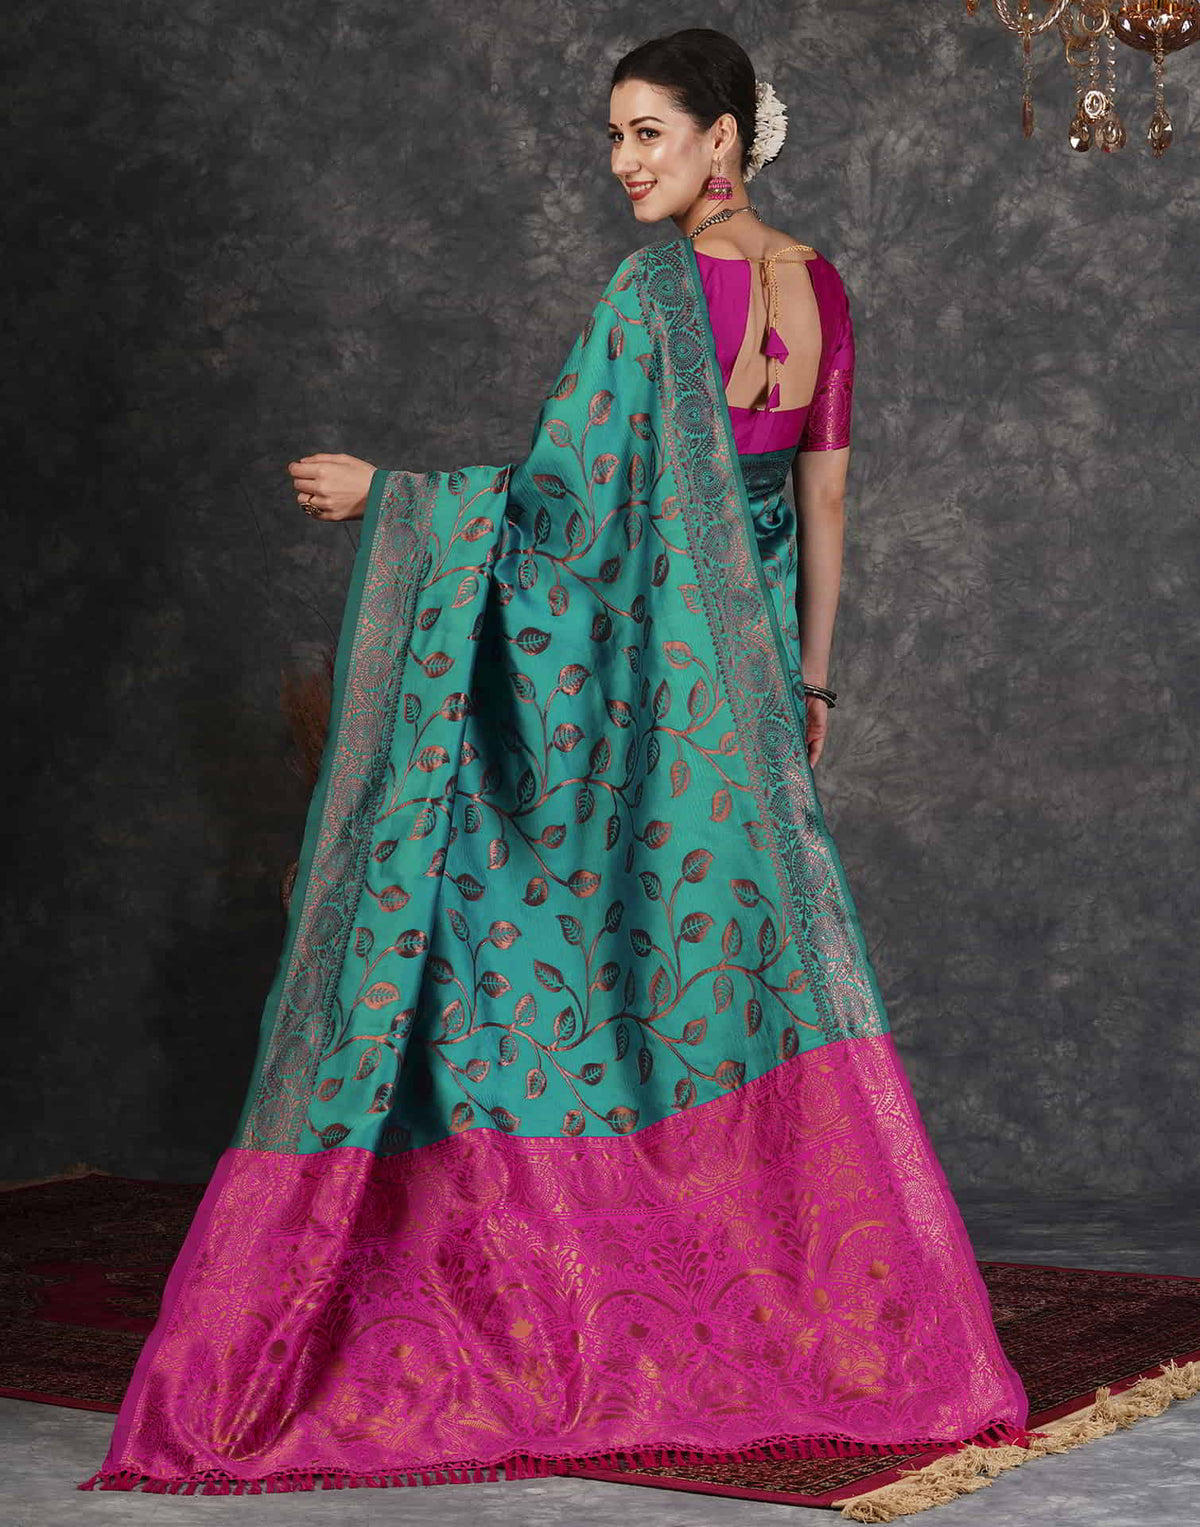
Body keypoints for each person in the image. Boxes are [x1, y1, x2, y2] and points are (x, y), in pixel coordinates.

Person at [81, 26, 1031, 1500]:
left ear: (725, 139)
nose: (625, 164)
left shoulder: (655, 294)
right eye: (614, 137)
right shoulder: (823, 288)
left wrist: (394, 498)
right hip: (747, 678)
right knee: (734, 979)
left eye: (650, 133)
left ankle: (650, 1303)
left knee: (608, 955)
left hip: (660, 682)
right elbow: (824, 503)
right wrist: (811, 678)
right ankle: (791, 1308)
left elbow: (564, 518)